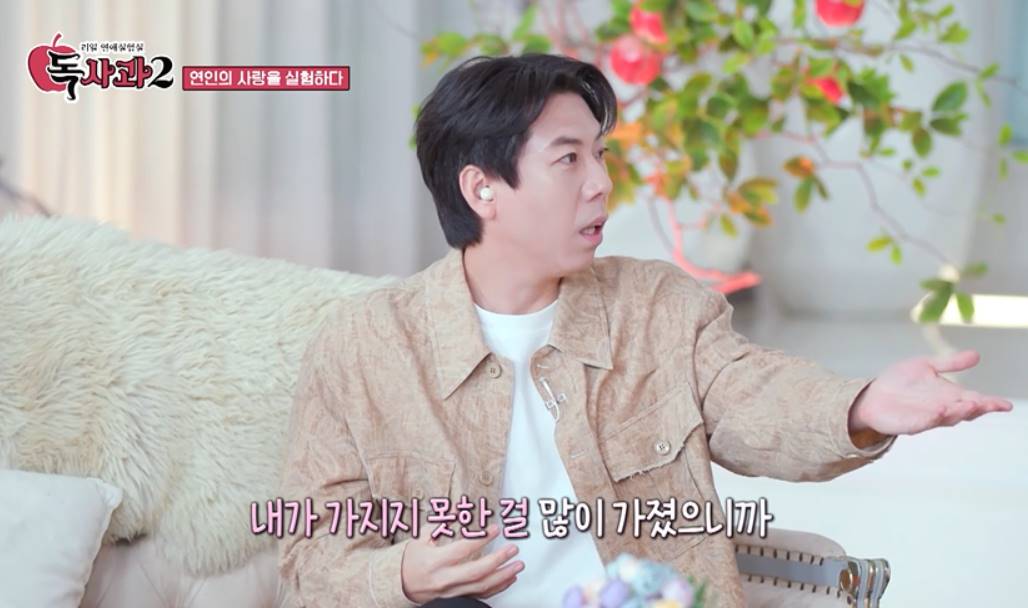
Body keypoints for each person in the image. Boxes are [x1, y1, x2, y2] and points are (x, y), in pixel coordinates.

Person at [277, 53, 1013, 608]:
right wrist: (403, 575)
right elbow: (310, 559)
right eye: (569, 159)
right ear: (482, 189)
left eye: (599, 155)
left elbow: (752, 396)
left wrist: (858, 406)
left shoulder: (657, 306)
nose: (601, 183)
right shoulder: (364, 347)